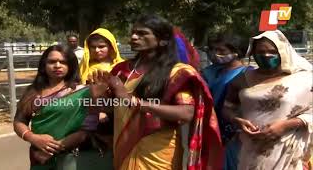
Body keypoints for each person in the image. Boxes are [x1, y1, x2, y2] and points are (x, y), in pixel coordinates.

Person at [88, 14, 223, 170]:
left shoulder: (176, 73)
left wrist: (134, 102)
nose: (133, 36)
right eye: (133, 32)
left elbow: (186, 113)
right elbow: (115, 108)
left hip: (157, 152)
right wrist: (99, 96)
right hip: (124, 146)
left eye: (142, 33)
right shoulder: (121, 70)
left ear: (162, 40)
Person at [222, 30, 312, 170]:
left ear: (282, 52)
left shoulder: (304, 79)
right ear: (252, 52)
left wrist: (285, 125)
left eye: (271, 51)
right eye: (260, 51)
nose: (265, 55)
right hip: (250, 150)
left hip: (287, 152)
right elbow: (227, 108)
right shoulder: (243, 79)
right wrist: (237, 120)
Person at [13, 45, 113, 170]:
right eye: (52, 62)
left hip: (71, 157)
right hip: (38, 156)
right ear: (44, 65)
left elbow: (88, 128)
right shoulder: (32, 92)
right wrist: (33, 138)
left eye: (63, 62)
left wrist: (53, 148)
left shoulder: (83, 92)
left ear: (71, 66)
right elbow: (19, 121)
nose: (57, 65)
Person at [201, 33, 253, 170]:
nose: (216, 54)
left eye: (222, 51)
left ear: (236, 52)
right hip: (210, 125)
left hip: (234, 131)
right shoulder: (210, 72)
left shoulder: (248, 75)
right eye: (213, 50)